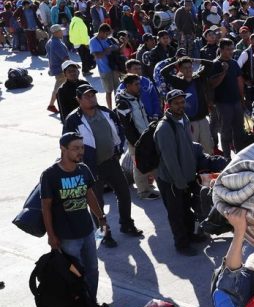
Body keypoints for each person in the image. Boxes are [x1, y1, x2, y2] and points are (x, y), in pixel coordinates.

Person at [64, 84, 143, 247]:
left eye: (93, 95)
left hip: (111, 162)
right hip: (90, 167)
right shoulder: (73, 120)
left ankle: (127, 224)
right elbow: (67, 144)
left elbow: (119, 130)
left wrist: (118, 149)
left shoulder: (106, 112)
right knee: (96, 202)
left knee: (124, 193)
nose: (91, 98)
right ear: (78, 100)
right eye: (87, 96)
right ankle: (104, 233)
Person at [39, 133, 109, 307]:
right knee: (74, 276)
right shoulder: (50, 175)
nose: (80, 152)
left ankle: (91, 304)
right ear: (63, 149)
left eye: (82, 148)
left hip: (87, 231)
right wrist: (51, 235)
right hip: (66, 237)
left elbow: (89, 196)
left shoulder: (83, 169)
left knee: (92, 270)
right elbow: (46, 207)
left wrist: (101, 218)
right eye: (75, 148)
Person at [154, 89, 202, 255]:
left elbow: (187, 146)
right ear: (168, 105)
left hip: (186, 176)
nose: (181, 106)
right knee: (176, 214)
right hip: (172, 180)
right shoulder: (164, 128)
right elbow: (170, 160)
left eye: (182, 102)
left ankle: (190, 236)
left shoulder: (184, 119)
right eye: (177, 103)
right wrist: (180, 182)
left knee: (186, 209)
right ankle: (181, 244)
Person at [113, 73, 160, 200]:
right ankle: (143, 192)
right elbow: (126, 126)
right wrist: (137, 142)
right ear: (128, 86)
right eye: (136, 84)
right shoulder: (123, 103)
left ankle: (151, 187)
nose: (140, 86)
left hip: (144, 136)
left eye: (139, 83)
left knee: (151, 161)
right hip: (136, 140)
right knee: (139, 165)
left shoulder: (136, 97)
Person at [211, 38, 248, 155]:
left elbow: (239, 81)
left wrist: (242, 99)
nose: (231, 51)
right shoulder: (215, 64)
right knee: (225, 131)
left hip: (236, 101)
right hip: (222, 103)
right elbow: (212, 84)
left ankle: (240, 154)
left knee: (239, 130)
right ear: (221, 50)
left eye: (231, 49)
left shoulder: (234, 63)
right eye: (227, 49)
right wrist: (224, 72)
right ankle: (227, 156)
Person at [88, 23, 120, 109]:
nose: (107, 36)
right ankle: (110, 109)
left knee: (118, 90)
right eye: (106, 34)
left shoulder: (107, 39)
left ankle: (119, 107)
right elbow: (97, 56)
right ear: (101, 32)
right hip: (105, 70)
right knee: (109, 91)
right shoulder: (93, 41)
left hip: (114, 68)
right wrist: (109, 49)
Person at [45, 24, 71, 113]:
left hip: (55, 68)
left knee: (61, 87)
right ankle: (51, 105)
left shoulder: (50, 41)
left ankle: (52, 105)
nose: (63, 32)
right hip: (61, 70)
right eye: (61, 31)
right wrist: (72, 65)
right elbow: (64, 58)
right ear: (56, 32)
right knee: (58, 88)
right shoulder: (57, 43)